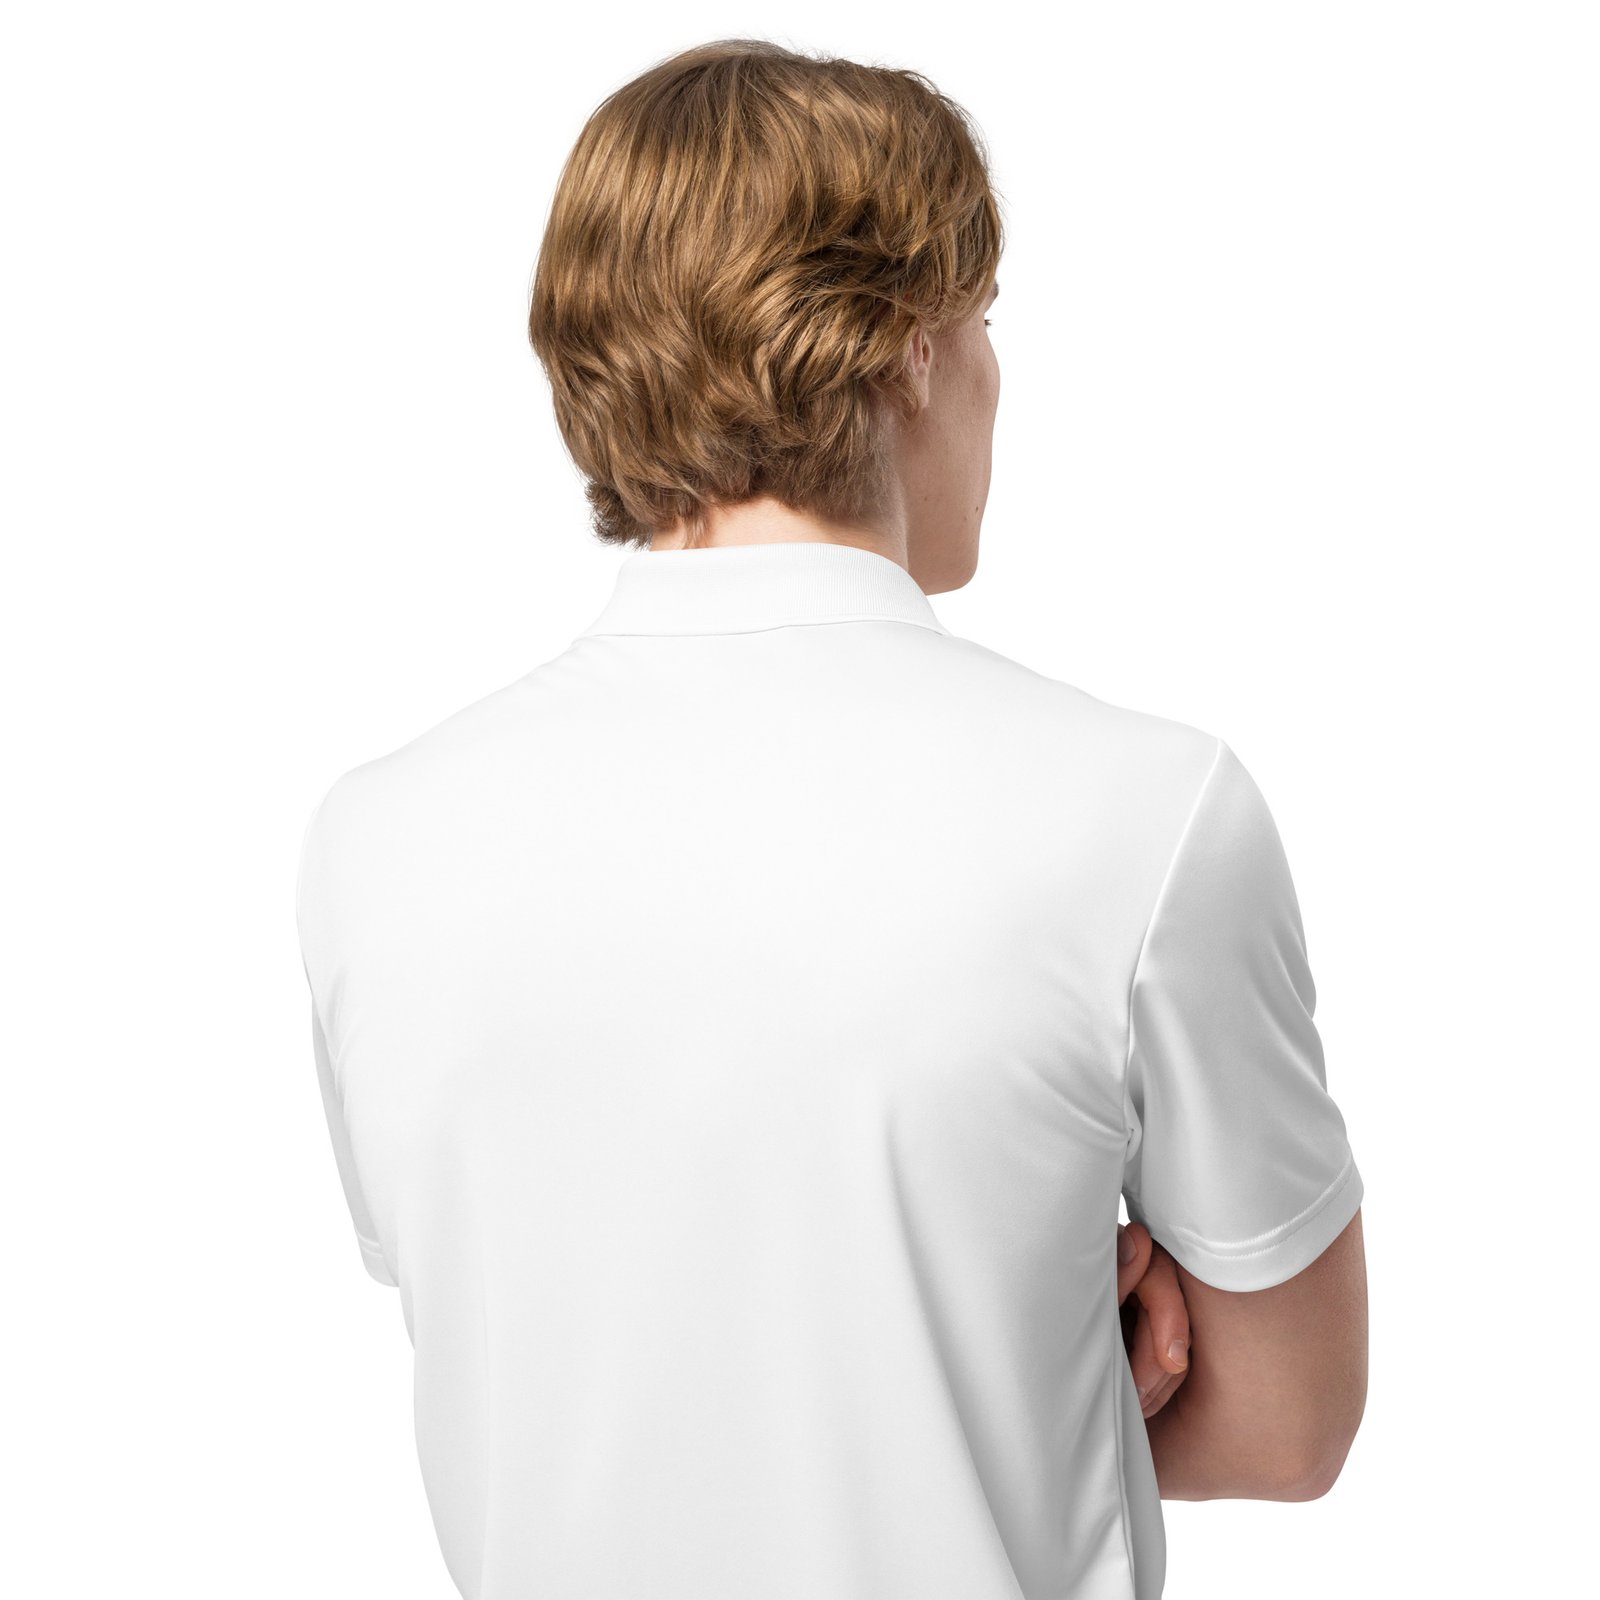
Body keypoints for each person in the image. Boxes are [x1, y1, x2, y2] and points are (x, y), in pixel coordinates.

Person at [295, 38, 1367, 1600]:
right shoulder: (1147, 814)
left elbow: (561, 1358)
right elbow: (1285, 1426)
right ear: (910, 348)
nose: (993, 374)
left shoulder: (375, 843)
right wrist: (1049, 1363)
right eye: (984, 321)